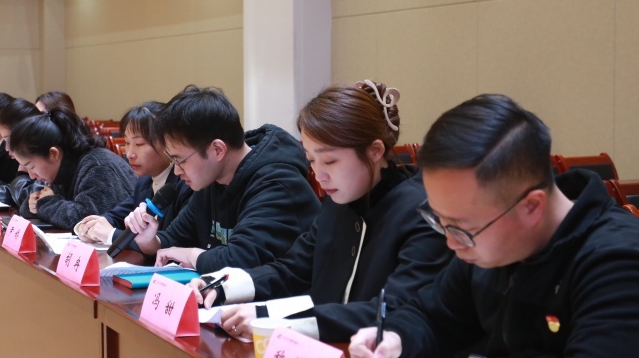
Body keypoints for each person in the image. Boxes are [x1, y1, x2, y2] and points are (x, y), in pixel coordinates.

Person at [348, 94, 639, 358]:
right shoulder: (492, 240)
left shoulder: (621, 261)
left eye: (461, 228)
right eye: (439, 220)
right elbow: (436, 314)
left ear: (531, 207)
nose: (450, 242)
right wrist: (395, 338)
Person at [191, 82, 450, 342]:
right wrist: (223, 285)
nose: (319, 175)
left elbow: (395, 308)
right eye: (311, 160)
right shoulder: (339, 202)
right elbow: (293, 270)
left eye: (330, 161)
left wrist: (280, 321)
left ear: (375, 151)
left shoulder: (421, 212)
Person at [129, 85, 320, 272]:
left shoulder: (276, 183)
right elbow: (175, 238)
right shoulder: (211, 179)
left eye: (180, 161)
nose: (177, 171)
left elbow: (241, 259)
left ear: (218, 150)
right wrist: (150, 241)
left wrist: (191, 255)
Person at [75, 101, 192, 250]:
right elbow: (118, 215)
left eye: (139, 144)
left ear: (168, 143)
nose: (129, 154)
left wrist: (111, 234)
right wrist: (93, 226)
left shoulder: (186, 183)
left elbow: (172, 242)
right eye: (126, 142)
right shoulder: (145, 181)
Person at [10, 107, 136, 230]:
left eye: (31, 167)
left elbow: (86, 219)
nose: (31, 175)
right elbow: (55, 204)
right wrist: (33, 205)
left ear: (53, 154)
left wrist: (45, 203)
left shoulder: (98, 167)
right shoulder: (64, 166)